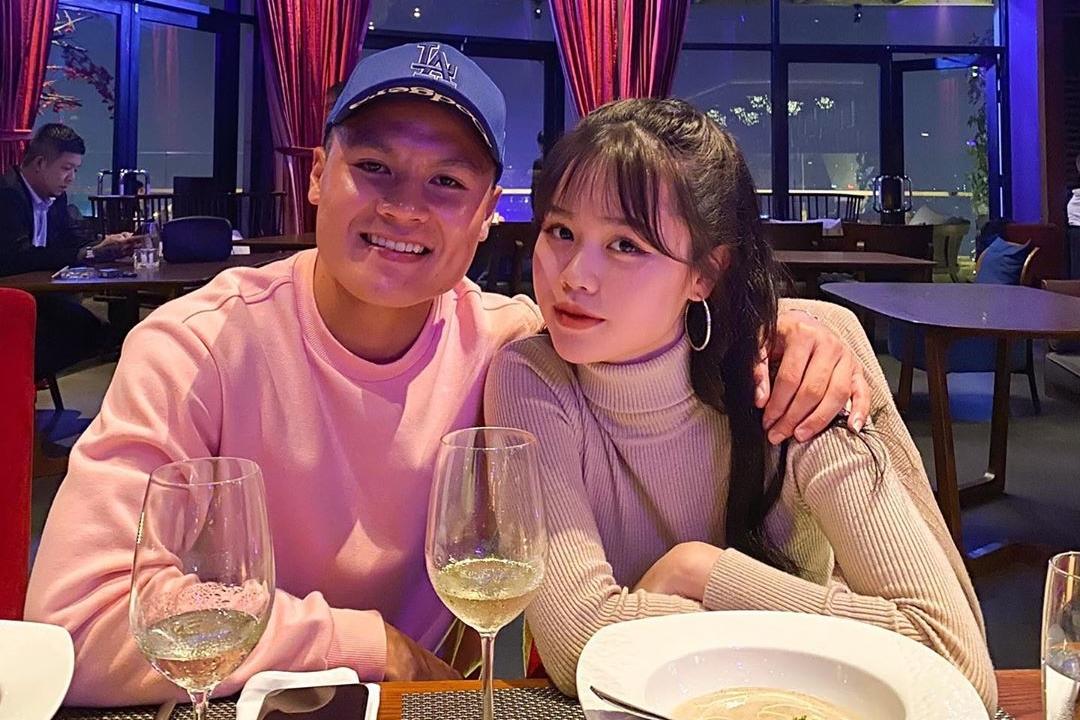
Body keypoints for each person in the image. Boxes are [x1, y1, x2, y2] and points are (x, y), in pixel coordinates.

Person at [26, 44, 871, 705]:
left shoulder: (512, 347)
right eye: (374, 168)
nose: (403, 207)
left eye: (446, 182)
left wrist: (800, 330)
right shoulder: (196, 349)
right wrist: (367, 644)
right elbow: (74, 622)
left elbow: (650, 322)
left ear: (485, 214)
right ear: (317, 175)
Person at [484, 98, 996, 711]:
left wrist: (700, 572)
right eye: (561, 232)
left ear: (705, 272)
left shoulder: (796, 369)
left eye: (625, 244)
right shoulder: (531, 377)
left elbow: (951, 658)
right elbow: (577, 644)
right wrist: (814, 622)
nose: (574, 275)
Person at [0, 124, 139, 378]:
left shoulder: (54, 196)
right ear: (40, 163)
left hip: (39, 296)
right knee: (92, 334)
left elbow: (70, 239)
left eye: (75, 170)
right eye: (66, 168)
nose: (71, 178)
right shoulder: (7, 195)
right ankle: (22, 380)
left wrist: (103, 244)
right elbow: (19, 257)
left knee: (107, 334)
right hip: (10, 302)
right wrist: (84, 254)